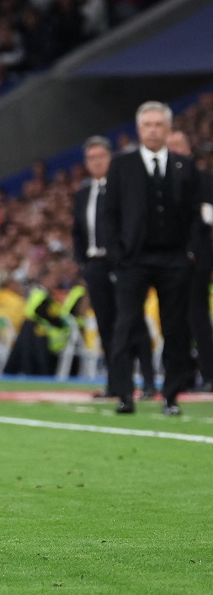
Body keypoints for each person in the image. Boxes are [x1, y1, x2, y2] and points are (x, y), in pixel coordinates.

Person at [104, 102, 201, 415]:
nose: (154, 130)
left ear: (169, 128)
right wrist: (118, 255)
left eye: (159, 124)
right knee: (127, 324)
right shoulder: (121, 165)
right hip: (134, 259)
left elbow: (194, 215)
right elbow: (110, 214)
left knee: (175, 328)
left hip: (174, 258)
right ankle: (123, 393)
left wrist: (190, 253)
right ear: (139, 128)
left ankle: (171, 395)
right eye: (148, 124)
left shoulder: (184, 166)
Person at [71, 136, 156, 399]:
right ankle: (117, 383)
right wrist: (83, 262)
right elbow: (78, 231)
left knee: (133, 321)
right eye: (91, 158)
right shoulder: (83, 193)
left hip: (123, 262)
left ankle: (150, 381)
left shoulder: (125, 187)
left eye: (101, 157)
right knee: (106, 324)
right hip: (95, 263)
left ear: (111, 159)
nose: (96, 162)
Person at [165, 130, 213, 391]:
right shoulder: (159, 183)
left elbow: (207, 216)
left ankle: (209, 373)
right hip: (169, 259)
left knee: (197, 315)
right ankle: (183, 375)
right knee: (175, 318)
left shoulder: (202, 179)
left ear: (187, 148)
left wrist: (192, 249)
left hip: (196, 257)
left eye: (178, 144)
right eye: (169, 146)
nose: (173, 149)